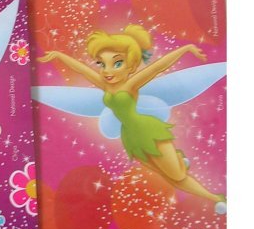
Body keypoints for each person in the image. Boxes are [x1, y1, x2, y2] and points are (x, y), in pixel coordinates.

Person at [38, 24, 226, 214]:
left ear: (130, 65)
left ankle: (209, 190)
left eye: (117, 63)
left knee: (177, 176)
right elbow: (82, 70)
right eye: (102, 64)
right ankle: (212, 195)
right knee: (169, 178)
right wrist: (59, 55)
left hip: (148, 132)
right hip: (131, 138)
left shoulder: (130, 85)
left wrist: (185, 49)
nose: (107, 71)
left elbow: (158, 67)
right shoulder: (106, 85)